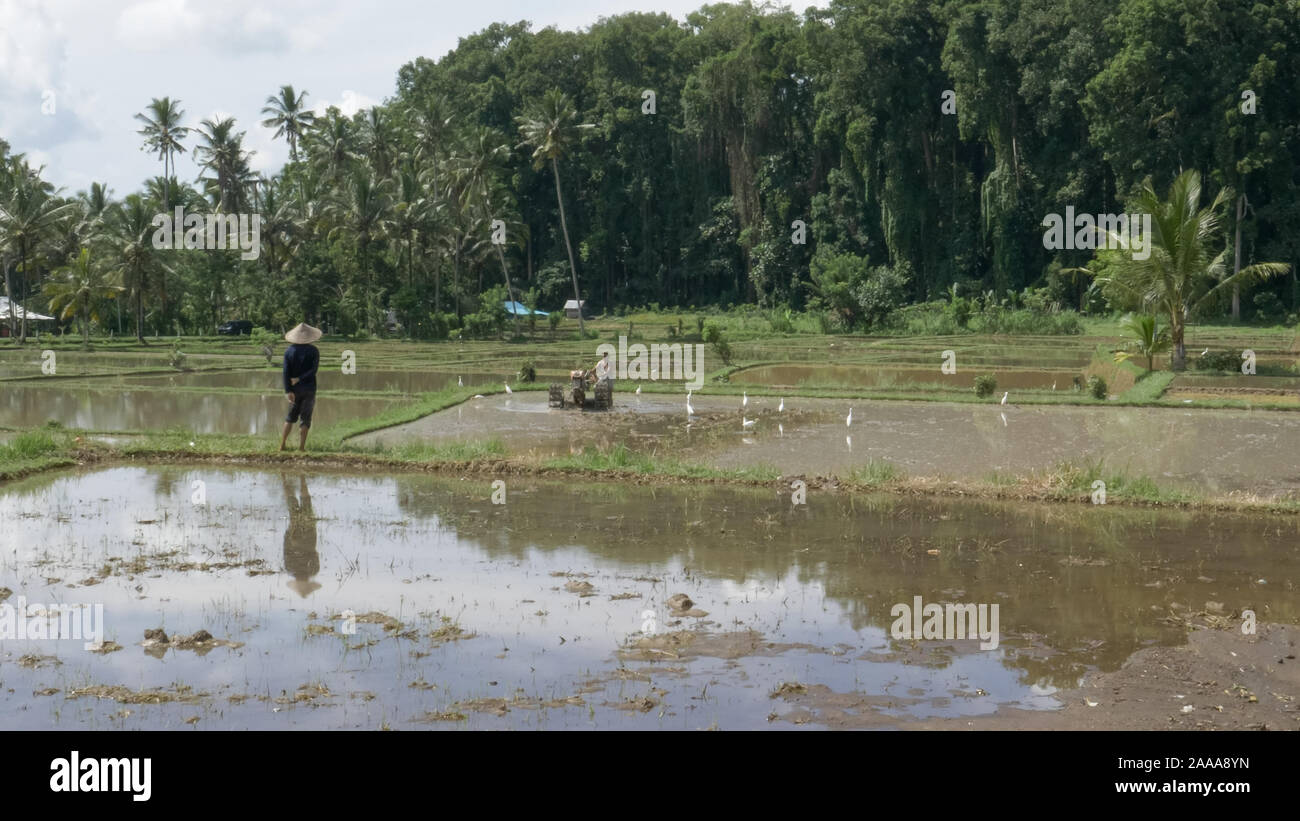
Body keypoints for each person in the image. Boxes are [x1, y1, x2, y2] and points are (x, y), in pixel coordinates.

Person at [280, 323, 321, 452]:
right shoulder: (314, 351)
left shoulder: (289, 351)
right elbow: (313, 370)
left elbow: (285, 372)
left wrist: (288, 390)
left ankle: (282, 445)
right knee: (305, 418)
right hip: (309, 389)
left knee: (290, 417)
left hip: (294, 390)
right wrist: (301, 378)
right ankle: (301, 448)